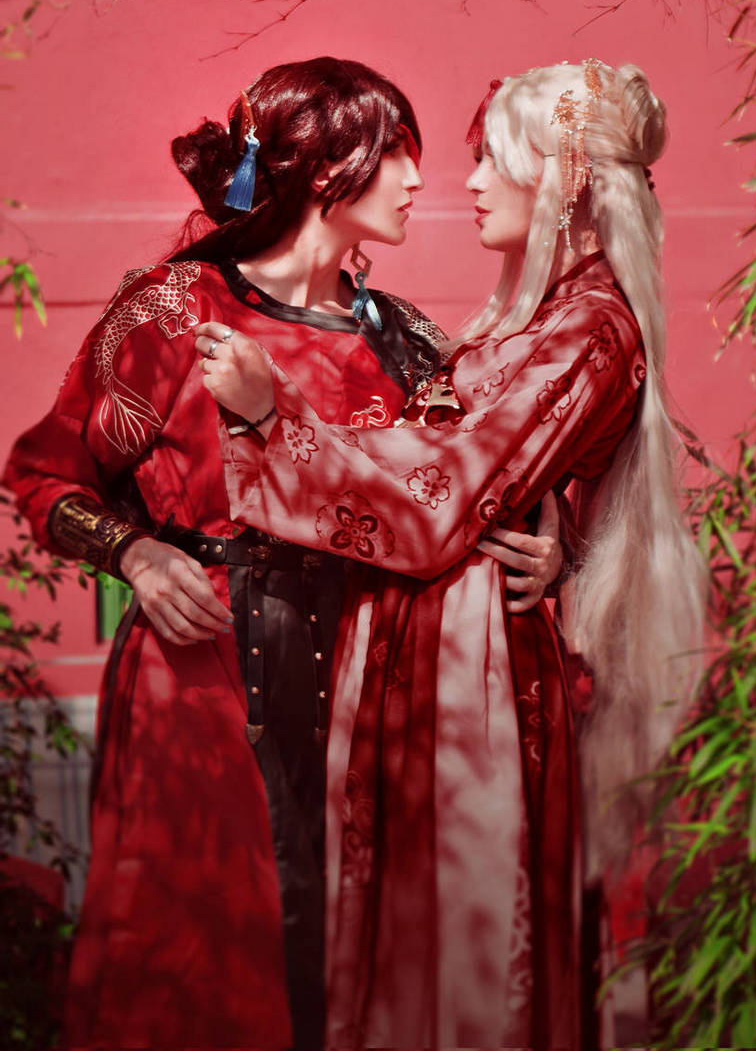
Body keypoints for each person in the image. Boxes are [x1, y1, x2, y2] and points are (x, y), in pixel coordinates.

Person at [3, 56, 558, 1050]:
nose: (418, 180)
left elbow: (467, 488)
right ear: (325, 167)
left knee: (345, 969)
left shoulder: (406, 344)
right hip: (201, 674)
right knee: (202, 955)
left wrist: (546, 554)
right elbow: (46, 475)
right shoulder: (174, 310)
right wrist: (132, 553)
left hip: (366, 690)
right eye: (396, 153)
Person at [195, 59, 707, 1049]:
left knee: (463, 941)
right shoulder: (528, 322)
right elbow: (450, 471)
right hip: (419, 649)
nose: (465, 182)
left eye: (488, 160)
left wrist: (272, 415)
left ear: (559, 179)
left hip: (472, 677)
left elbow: (435, 498)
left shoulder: (588, 333)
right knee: (399, 939)